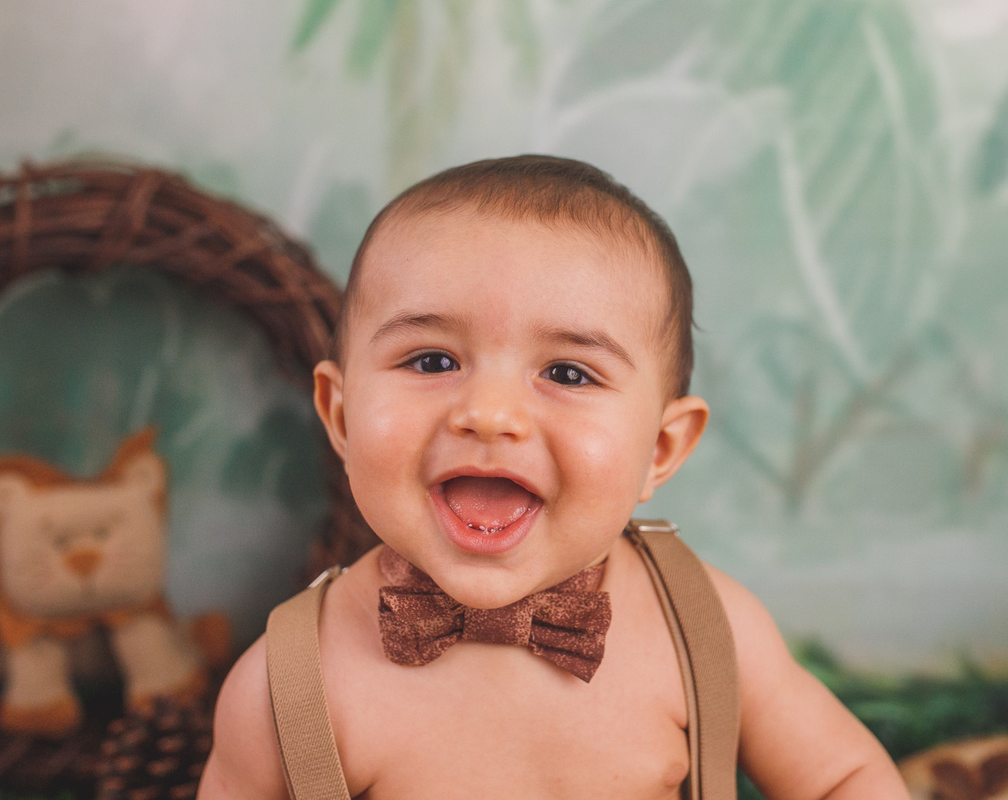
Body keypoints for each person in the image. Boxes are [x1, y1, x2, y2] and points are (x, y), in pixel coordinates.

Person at [197, 155, 908, 800]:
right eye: (432, 361)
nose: (489, 414)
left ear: (660, 449)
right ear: (343, 417)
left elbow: (842, 778)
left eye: (567, 373)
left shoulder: (706, 628)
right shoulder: (283, 687)